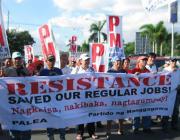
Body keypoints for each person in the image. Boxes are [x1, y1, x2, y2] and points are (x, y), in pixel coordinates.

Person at [3, 52, 31, 140]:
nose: (17, 60)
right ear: (12, 60)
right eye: (16, 58)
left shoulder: (26, 70)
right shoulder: (7, 70)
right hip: (12, 104)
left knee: (26, 130)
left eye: (19, 58)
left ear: (22, 59)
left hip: (25, 104)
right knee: (14, 132)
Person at [71, 53, 98, 140]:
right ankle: (79, 133)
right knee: (80, 115)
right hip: (79, 97)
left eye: (88, 60)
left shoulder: (92, 69)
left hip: (90, 97)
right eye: (85, 60)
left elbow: (96, 81)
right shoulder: (76, 70)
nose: (87, 61)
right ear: (80, 61)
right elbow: (69, 81)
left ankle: (92, 132)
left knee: (91, 115)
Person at [39, 54, 66, 140]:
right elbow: (39, 85)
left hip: (58, 100)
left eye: (53, 60)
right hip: (48, 101)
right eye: (50, 60)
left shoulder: (59, 70)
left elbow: (63, 83)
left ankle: (62, 137)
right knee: (49, 122)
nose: (51, 62)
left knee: (61, 120)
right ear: (46, 61)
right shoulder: (42, 72)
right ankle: (51, 138)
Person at [131, 56, 152, 134]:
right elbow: (128, 82)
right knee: (136, 111)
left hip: (146, 95)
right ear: (138, 61)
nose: (145, 61)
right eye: (143, 60)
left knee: (146, 111)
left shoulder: (148, 71)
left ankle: (146, 127)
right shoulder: (134, 70)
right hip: (136, 96)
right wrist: (134, 76)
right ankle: (135, 127)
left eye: (146, 60)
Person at [106, 56, 126, 139]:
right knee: (110, 115)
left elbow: (129, 81)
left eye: (120, 61)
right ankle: (108, 131)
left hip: (121, 96)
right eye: (117, 61)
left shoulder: (123, 71)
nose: (119, 63)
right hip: (111, 96)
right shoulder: (109, 71)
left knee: (121, 114)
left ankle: (120, 129)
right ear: (113, 62)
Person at [161, 58, 180, 132]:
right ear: (169, 62)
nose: (174, 62)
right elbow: (161, 79)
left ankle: (174, 125)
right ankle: (164, 126)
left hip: (176, 92)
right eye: (172, 61)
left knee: (175, 110)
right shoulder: (165, 69)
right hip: (167, 93)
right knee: (166, 109)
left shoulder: (178, 70)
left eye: (175, 61)